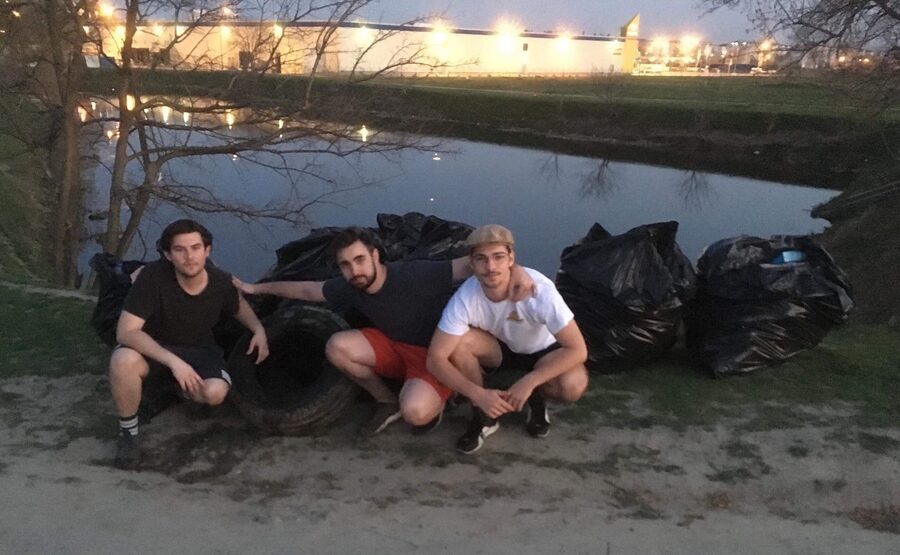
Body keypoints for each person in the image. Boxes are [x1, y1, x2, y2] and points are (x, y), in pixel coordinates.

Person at [232, 226, 534, 437]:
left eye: (360, 260)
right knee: (337, 346)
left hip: (437, 354)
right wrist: (255, 288)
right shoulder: (351, 286)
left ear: (375, 255)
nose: (355, 271)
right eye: (346, 265)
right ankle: (385, 400)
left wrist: (517, 269)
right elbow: (308, 290)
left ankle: (448, 394)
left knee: (415, 412)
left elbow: (471, 264)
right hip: (395, 347)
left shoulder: (413, 274)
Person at [110, 219, 269, 470]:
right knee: (122, 361)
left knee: (214, 393)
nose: (189, 257)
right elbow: (126, 332)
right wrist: (175, 363)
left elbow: (238, 306)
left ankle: (174, 389)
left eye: (196, 248)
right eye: (180, 250)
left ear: (207, 251)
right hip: (155, 346)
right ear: (168, 255)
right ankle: (128, 433)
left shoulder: (220, 281)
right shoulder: (152, 277)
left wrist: (258, 329)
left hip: (199, 350)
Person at [426, 224, 589, 454]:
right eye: (481, 259)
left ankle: (536, 396)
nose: (490, 267)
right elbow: (435, 359)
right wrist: (477, 394)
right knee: (459, 343)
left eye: (498, 257)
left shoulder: (539, 290)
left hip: (544, 350)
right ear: (471, 263)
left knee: (572, 386)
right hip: (501, 347)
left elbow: (578, 350)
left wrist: (530, 381)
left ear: (511, 258)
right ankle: (483, 413)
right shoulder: (465, 297)